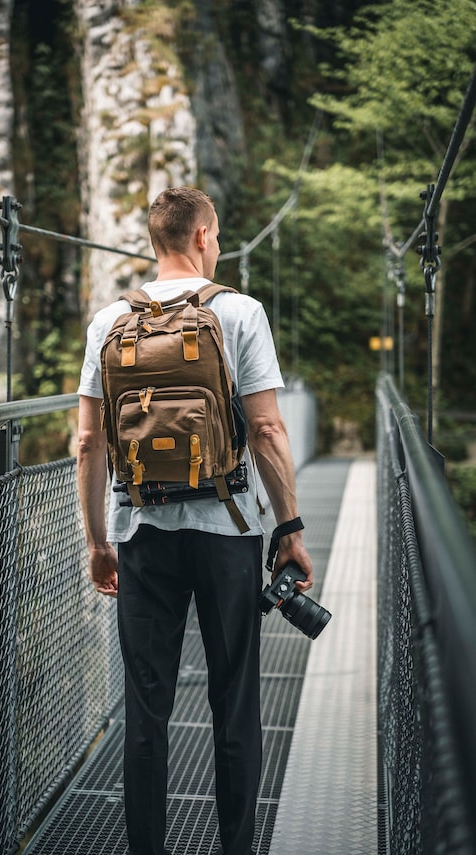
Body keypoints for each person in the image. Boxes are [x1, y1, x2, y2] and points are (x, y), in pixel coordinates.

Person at [77, 187, 313, 855]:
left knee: (146, 711)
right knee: (233, 703)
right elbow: (266, 427)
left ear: (155, 242)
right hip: (230, 533)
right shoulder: (240, 312)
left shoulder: (108, 322)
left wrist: (99, 540)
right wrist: (289, 528)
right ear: (207, 236)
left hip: (141, 534)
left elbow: (89, 443)